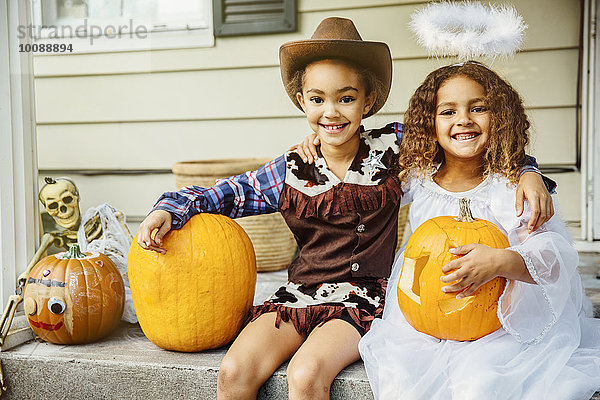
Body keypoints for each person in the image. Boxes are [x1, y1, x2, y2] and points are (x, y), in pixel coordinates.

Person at [136, 18, 553, 400]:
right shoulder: (290, 168)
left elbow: (467, 144)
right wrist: (168, 208)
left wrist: (527, 170)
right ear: (302, 101)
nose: (331, 112)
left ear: (367, 100)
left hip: (364, 300)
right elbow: (224, 194)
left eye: (345, 98)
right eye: (317, 99)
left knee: (306, 374)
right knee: (232, 371)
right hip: (297, 296)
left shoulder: (398, 148)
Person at [353, 61, 600, 400]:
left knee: (480, 385)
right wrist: (318, 142)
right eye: (447, 111)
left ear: (499, 118)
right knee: (400, 381)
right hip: (421, 324)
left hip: (499, 325)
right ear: (430, 123)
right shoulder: (418, 178)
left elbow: (552, 262)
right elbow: (356, 160)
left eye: (478, 108)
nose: (463, 119)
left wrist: (500, 261)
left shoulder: (510, 188)